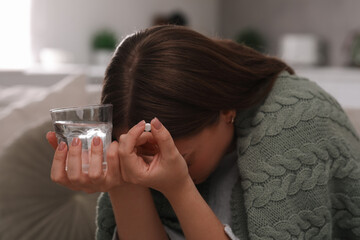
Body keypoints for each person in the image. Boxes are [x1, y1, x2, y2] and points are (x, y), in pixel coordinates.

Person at [47, 25, 360, 240]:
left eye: (184, 158)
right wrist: (122, 183)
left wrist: (179, 187)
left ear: (225, 109)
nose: (151, 171)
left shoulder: (297, 120)